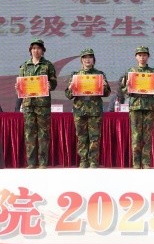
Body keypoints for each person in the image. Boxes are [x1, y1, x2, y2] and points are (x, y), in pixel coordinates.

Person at [65, 48, 112, 168]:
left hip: (95, 110)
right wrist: (70, 88)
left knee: (94, 137)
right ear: (81, 60)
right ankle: (83, 160)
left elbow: (107, 93)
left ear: (93, 59)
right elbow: (69, 95)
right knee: (81, 136)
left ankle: (93, 161)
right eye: (85, 57)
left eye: (90, 57)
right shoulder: (75, 75)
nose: (87, 59)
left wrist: (105, 86)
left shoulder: (99, 75)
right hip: (79, 110)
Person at [118, 46, 154, 169]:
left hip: (149, 106)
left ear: (148, 56)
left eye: (144, 55)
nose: (142, 57)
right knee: (136, 135)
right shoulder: (130, 72)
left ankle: (146, 162)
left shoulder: (153, 72)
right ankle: (136, 162)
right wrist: (127, 87)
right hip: (135, 106)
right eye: (140, 55)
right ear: (136, 57)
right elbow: (123, 90)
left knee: (147, 136)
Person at [19, 38, 58, 169]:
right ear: (30, 50)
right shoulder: (24, 66)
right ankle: (31, 162)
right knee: (29, 133)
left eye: (39, 48)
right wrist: (18, 87)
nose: (36, 51)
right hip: (28, 104)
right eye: (34, 48)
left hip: (43, 104)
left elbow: (54, 83)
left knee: (43, 134)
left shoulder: (48, 65)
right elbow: (21, 84)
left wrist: (50, 85)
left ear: (43, 50)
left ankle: (42, 162)